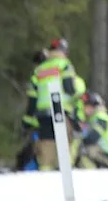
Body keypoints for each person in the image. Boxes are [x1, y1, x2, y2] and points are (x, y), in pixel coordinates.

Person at [26, 38, 79, 171]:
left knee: (46, 146)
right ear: (64, 51)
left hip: (43, 113)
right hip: (59, 110)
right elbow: (69, 88)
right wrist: (76, 98)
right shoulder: (65, 65)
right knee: (62, 147)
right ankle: (61, 174)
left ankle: (45, 172)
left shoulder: (40, 69)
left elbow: (33, 97)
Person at [76, 93, 108, 169]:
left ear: (94, 106)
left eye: (87, 106)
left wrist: (79, 137)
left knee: (88, 149)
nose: (85, 109)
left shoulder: (100, 118)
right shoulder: (97, 117)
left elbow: (93, 138)